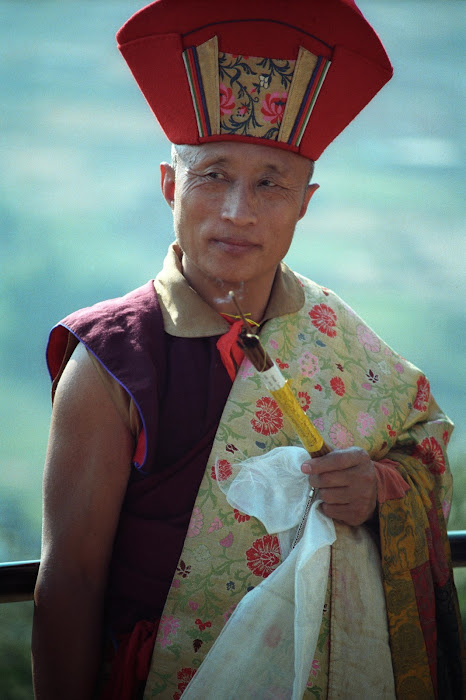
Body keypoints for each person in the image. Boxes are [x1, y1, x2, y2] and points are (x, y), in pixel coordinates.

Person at [32, 1, 465, 699]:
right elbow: (71, 582)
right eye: (213, 176)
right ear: (171, 186)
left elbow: (424, 453)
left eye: (271, 183)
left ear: (305, 204)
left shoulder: (335, 334)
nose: (238, 210)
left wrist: (380, 490)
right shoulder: (113, 360)